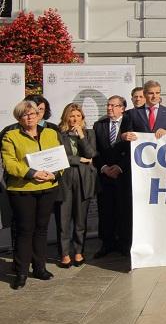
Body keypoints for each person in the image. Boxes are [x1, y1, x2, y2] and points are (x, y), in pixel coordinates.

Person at [2, 100, 61, 289]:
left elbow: (61, 157)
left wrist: (55, 173)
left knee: (41, 229)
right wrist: (32, 173)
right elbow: (9, 163)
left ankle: (39, 268)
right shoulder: (10, 135)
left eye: (33, 113)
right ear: (19, 118)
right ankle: (20, 272)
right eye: (25, 115)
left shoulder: (52, 133)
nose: (30, 117)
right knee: (25, 230)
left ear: (39, 115)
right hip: (22, 189)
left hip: (48, 187)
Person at [56, 103, 97, 268]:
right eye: (71, 115)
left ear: (82, 118)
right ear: (66, 117)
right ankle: (65, 254)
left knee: (81, 219)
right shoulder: (59, 134)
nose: (74, 119)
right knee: (63, 219)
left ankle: (79, 251)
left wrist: (81, 136)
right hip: (65, 179)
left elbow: (91, 154)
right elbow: (59, 157)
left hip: (84, 179)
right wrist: (79, 159)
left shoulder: (89, 133)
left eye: (78, 116)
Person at [93, 96, 130, 258]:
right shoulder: (98, 125)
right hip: (105, 175)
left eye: (114, 106)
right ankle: (107, 243)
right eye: (108, 105)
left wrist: (120, 167)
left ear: (122, 108)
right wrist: (104, 168)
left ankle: (124, 243)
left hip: (123, 175)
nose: (109, 108)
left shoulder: (130, 124)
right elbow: (95, 151)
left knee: (123, 210)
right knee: (106, 211)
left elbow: (132, 149)